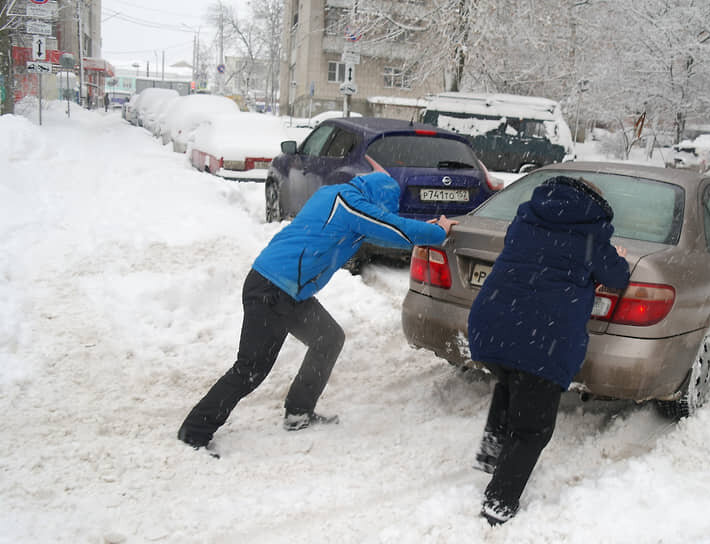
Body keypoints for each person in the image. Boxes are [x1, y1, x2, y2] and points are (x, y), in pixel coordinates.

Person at [177, 172, 458, 452]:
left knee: (328, 338)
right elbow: (391, 227)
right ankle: (195, 431)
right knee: (251, 368)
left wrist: (423, 228)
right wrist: (438, 232)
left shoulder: (339, 198)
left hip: (288, 291)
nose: (383, 213)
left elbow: (385, 232)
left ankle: (299, 412)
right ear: (379, 197)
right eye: (385, 207)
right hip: (272, 289)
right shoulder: (346, 202)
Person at [467, 175, 630, 525]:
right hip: (543, 339)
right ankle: (498, 503)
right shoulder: (591, 236)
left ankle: (493, 453)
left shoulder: (526, 219)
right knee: (532, 429)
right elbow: (617, 277)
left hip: (492, 324)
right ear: (595, 206)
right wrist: (616, 257)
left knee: (511, 381)